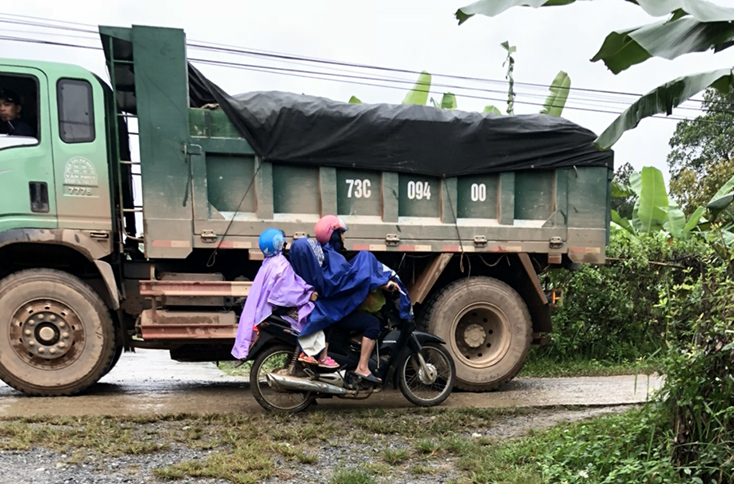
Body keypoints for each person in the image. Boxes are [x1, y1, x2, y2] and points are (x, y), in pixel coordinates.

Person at [289, 216, 412, 385]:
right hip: (336, 310)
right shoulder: (333, 258)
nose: (343, 238)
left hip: (327, 309)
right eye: (341, 233)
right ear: (333, 234)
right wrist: (380, 281)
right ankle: (362, 367)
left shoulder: (324, 256)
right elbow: (353, 280)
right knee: (372, 324)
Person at [231, 228, 338, 369]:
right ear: (279, 243)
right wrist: (307, 295)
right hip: (282, 309)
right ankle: (318, 355)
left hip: (267, 309)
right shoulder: (282, 265)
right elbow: (287, 292)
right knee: (323, 316)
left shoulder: (268, 263)